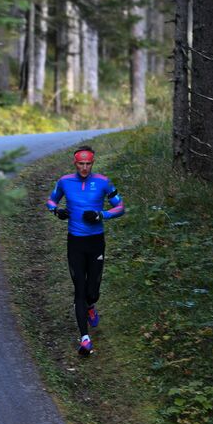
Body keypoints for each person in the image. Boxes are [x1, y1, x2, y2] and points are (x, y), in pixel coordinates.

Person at [46, 145, 125, 355]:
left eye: (88, 163)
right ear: (75, 163)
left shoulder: (103, 182)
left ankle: (91, 306)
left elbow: (120, 207)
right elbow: (51, 200)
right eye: (81, 164)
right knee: (79, 290)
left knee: (93, 292)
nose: (84, 167)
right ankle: (84, 339)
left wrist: (102, 215)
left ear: (93, 163)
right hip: (76, 243)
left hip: (96, 242)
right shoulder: (64, 181)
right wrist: (57, 211)